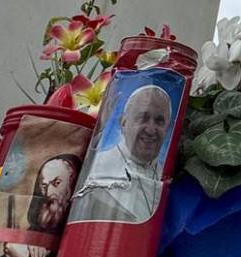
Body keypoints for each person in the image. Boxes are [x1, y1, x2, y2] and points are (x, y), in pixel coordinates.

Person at [68, 84, 173, 223]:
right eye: (143, 118)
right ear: (123, 123)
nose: (151, 130)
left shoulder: (166, 175)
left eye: (159, 121)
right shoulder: (98, 166)